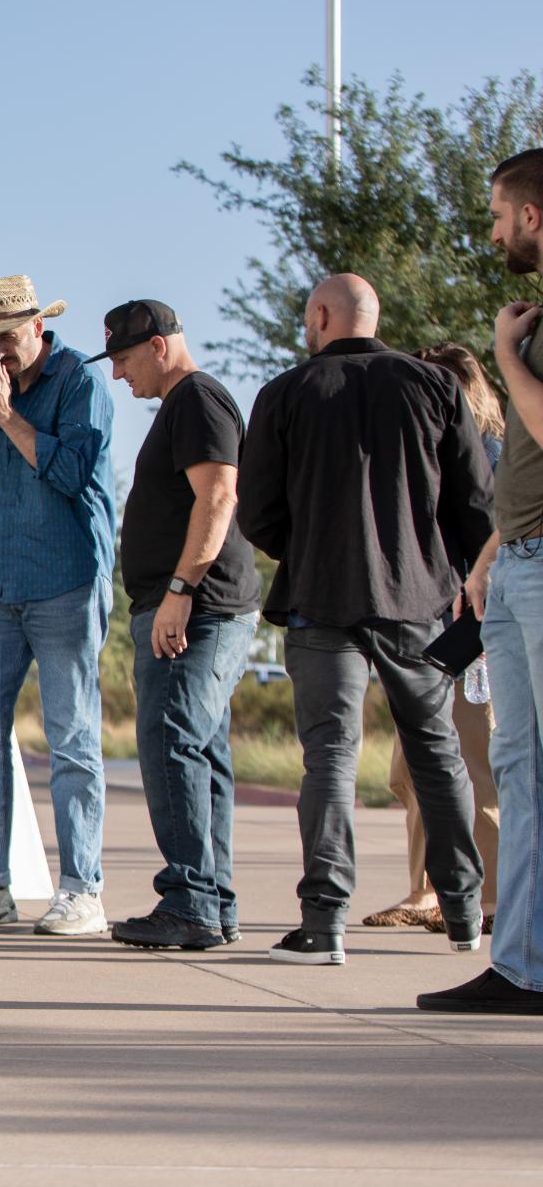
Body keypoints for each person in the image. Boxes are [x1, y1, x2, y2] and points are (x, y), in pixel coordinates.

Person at [238, 273, 492, 968]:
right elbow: (475, 500)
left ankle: (324, 924)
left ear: (321, 316)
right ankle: (466, 912)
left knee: (329, 758)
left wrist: (312, 544)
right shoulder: (434, 387)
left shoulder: (285, 393)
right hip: (418, 603)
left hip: (320, 599)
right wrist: (445, 569)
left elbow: (257, 509)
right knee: (438, 755)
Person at [0, 275, 118, 935]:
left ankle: (82, 889)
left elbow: (69, 473)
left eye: (9, 337)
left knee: (70, 742)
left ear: (39, 327)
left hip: (67, 583)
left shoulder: (80, 383)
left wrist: (7, 412)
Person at [92, 301, 260, 951]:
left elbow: (219, 494)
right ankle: (210, 903)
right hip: (197, 607)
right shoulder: (188, 404)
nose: (119, 376)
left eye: (126, 360)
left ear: (159, 347)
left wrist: (180, 591)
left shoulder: (195, 401)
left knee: (171, 743)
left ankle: (191, 901)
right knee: (199, 751)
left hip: (197, 608)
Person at [421, 147, 543, 1013]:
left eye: (499, 212)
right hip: (521, 563)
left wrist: (506, 354)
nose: (493, 228)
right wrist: (492, 558)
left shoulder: (528, 333)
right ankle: (522, 966)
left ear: (532, 215)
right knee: (519, 768)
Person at [364, 343, 503, 934]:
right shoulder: (427, 457)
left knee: (476, 765)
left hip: (476, 634)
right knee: (412, 767)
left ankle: (490, 897)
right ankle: (429, 890)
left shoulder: (493, 455)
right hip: (427, 631)